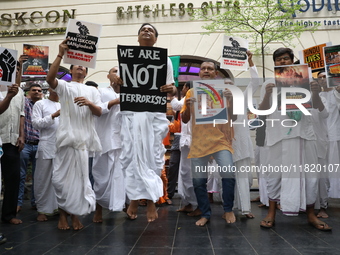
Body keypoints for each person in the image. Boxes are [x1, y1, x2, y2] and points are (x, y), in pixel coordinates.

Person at [259, 48, 331, 231]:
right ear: (275, 64)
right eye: (279, 60)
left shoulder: (306, 81)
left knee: (310, 176)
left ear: (293, 61)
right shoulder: (269, 83)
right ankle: (271, 213)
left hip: (304, 136)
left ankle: (310, 214)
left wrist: (315, 92)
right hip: (278, 137)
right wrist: (268, 94)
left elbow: (322, 112)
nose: (282, 62)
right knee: (275, 176)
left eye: (286, 59)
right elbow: (262, 112)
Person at [119, 23, 175, 222]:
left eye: (151, 30)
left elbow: (172, 89)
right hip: (133, 114)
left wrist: (171, 89)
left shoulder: (165, 60)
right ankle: (134, 199)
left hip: (153, 114)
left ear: (156, 39)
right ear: (137, 37)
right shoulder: (126, 58)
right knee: (132, 155)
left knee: (153, 156)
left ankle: (151, 201)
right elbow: (120, 88)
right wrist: (116, 82)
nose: (146, 31)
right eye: (143, 29)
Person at [46, 39, 102, 230]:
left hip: (83, 141)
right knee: (61, 179)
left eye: (83, 68)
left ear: (86, 72)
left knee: (80, 180)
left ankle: (76, 216)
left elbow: (99, 112)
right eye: (77, 67)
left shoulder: (92, 91)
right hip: (66, 139)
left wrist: (89, 103)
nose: (80, 69)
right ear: (71, 71)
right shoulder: (65, 86)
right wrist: (60, 53)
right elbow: (49, 79)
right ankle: (63, 214)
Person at [181, 61, 236, 227]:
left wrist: (230, 100)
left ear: (215, 73)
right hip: (199, 142)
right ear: (199, 73)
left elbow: (234, 118)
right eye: (203, 68)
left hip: (221, 141)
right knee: (198, 181)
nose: (206, 71)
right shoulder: (191, 92)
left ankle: (228, 209)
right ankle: (205, 213)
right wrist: (189, 108)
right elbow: (184, 119)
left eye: (209, 69)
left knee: (228, 173)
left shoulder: (225, 91)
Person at [92, 66, 125, 223]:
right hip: (105, 140)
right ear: (108, 76)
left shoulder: (130, 93)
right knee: (101, 176)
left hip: (124, 142)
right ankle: (98, 210)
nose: (117, 74)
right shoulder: (101, 92)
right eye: (114, 71)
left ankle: (124, 205)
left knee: (122, 177)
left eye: (120, 71)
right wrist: (114, 102)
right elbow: (97, 110)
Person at [228, 51, 260, 219]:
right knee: (226, 180)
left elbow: (255, 82)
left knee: (245, 179)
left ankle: (245, 209)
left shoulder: (242, 98)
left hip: (241, 144)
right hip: (223, 146)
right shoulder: (214, 102)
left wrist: (250, 62)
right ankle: (229, 208)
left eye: (230, 84)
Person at [31, 88, 60, 221]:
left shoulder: (65, 104)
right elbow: (36, 124)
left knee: (60, 179)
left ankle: (60, 207)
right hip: (47, 145)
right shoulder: (40, 104)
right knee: (43, 178)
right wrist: (53, 116)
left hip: (63, 147)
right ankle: (42, 209)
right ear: (49, 88)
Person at [0, 83, 25, 225]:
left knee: (13, 177)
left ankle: (9, 215)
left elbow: (22, 114)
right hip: (0, 137)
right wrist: (9, 95)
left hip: (12, 140)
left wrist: (21, 135)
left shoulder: (20, 91)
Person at [17, 84, 43, 213]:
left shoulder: (43, 105)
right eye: (34, 90)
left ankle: (35, 202)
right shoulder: (25, 103)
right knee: (21, 174)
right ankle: (18, 203)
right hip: (25, 144)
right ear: (28, 93)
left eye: (39, 90)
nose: (37, 92)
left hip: (39, 144)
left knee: (37, 176)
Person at [319, 71, 340, 218]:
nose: (322, 79)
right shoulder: (317, 96)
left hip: (336, 137)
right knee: (323, 173)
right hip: (321, 139)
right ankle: (322, 205)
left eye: (324, 77)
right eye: (319, 77)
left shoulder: (336, 94)